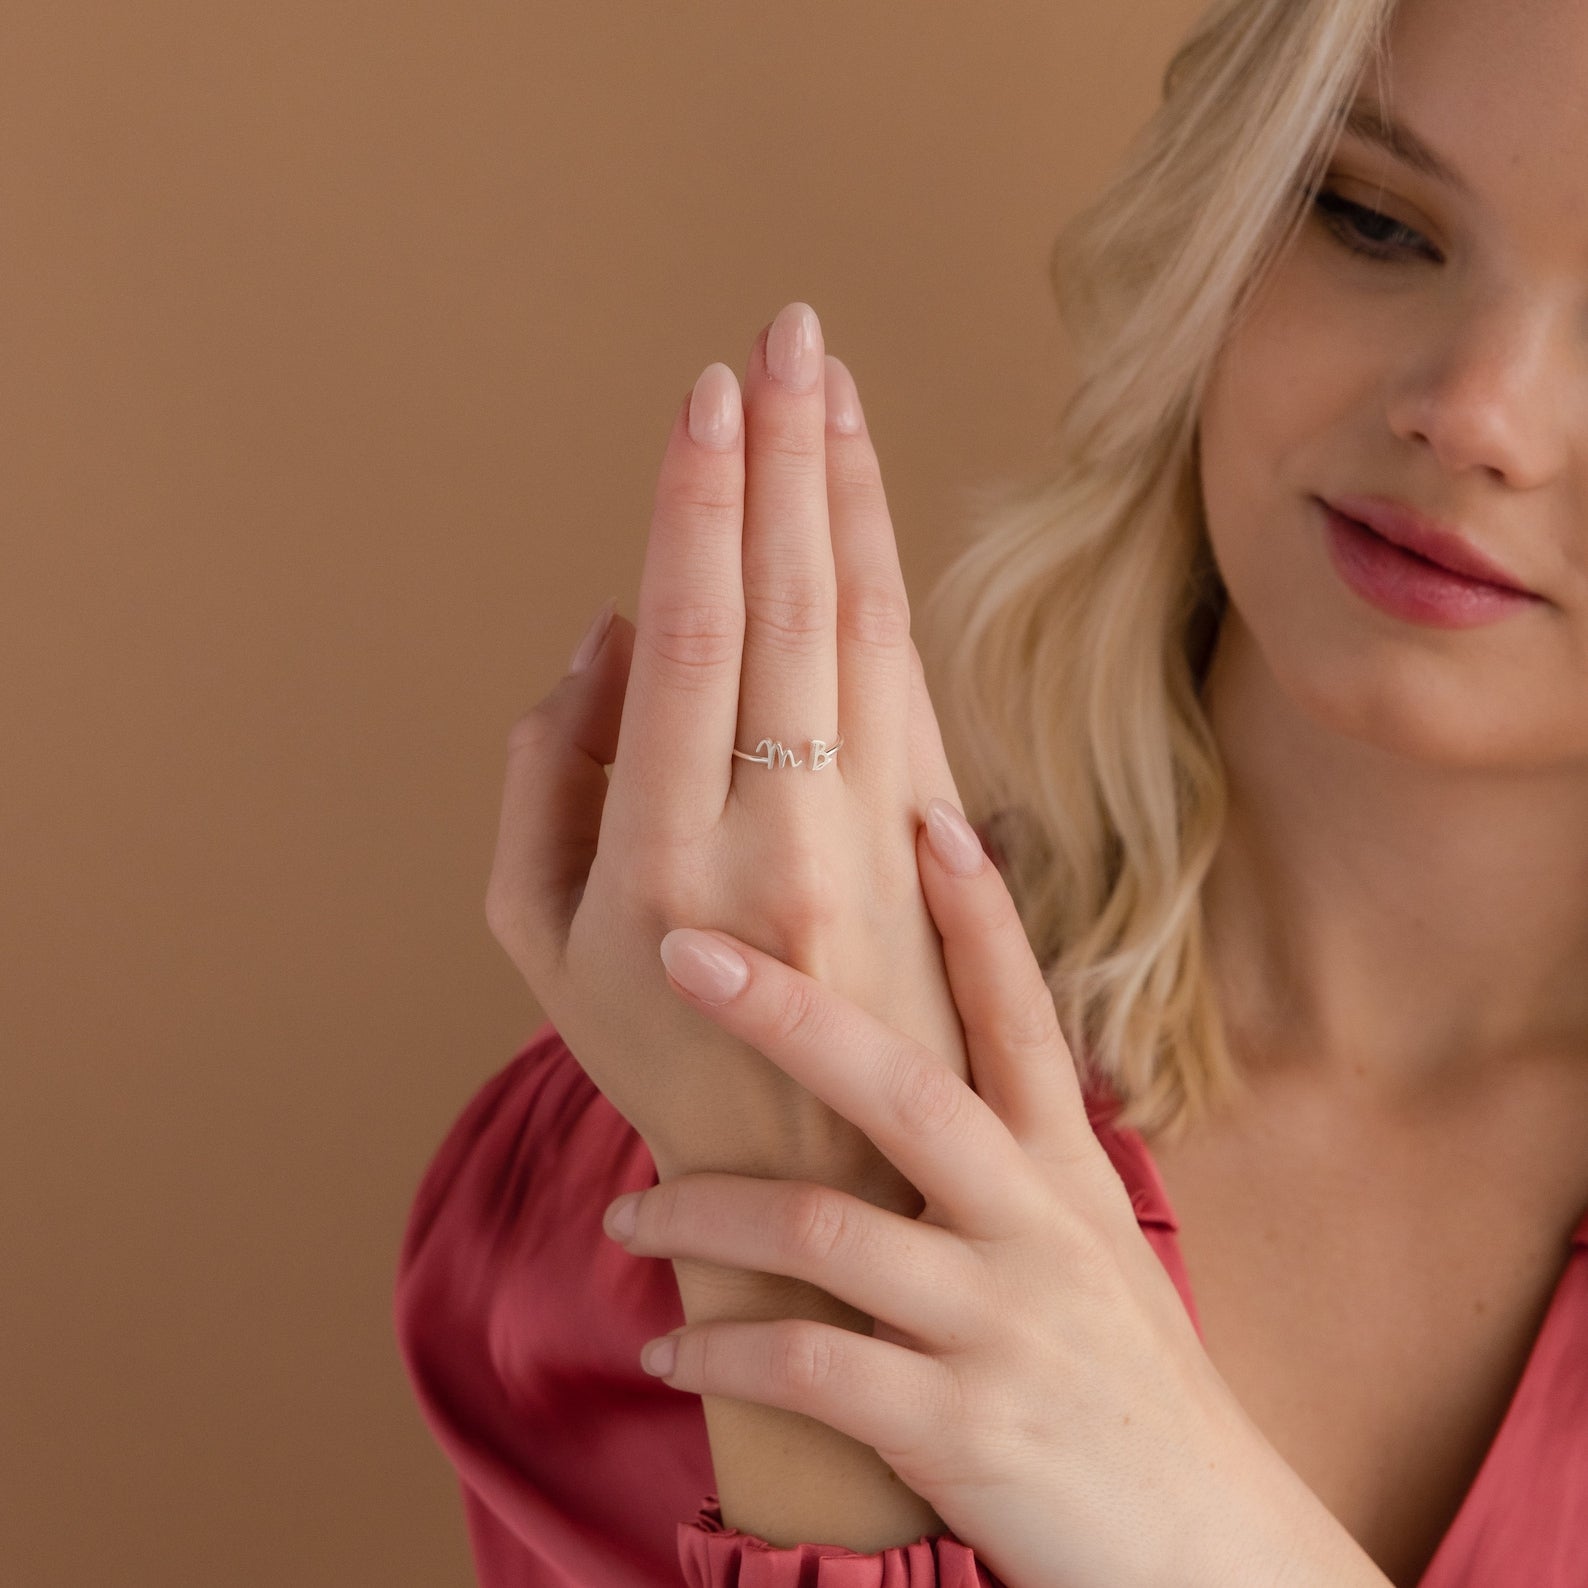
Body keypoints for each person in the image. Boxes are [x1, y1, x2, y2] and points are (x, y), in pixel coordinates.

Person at [393, 0, 1588, 1581]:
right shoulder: (682, 1161)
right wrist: (806, 1253)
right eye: (1370, 217)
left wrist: (1183, 1503)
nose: (1481, 413)